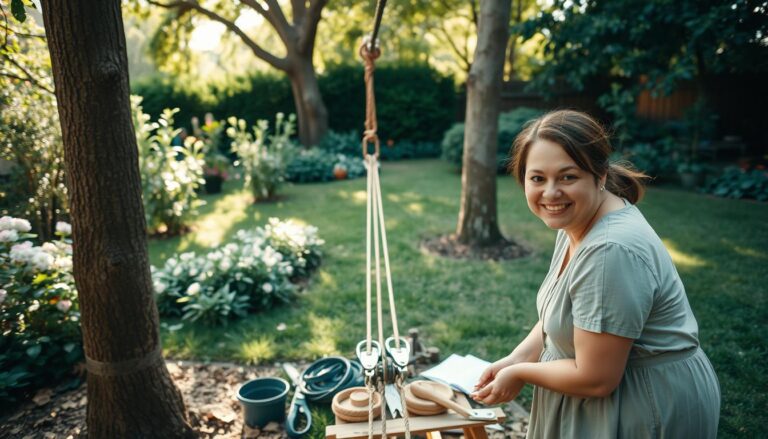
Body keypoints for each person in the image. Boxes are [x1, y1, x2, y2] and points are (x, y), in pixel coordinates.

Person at [471, 110, 720, 438]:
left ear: (599, 176)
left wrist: (521, 373)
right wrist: (517, 357)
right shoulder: (577, 220)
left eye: (567, 176)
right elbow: (559, 314)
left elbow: (596, 378)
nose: (550, 193)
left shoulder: (608, 250)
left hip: (643, 407)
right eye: (537, 178)